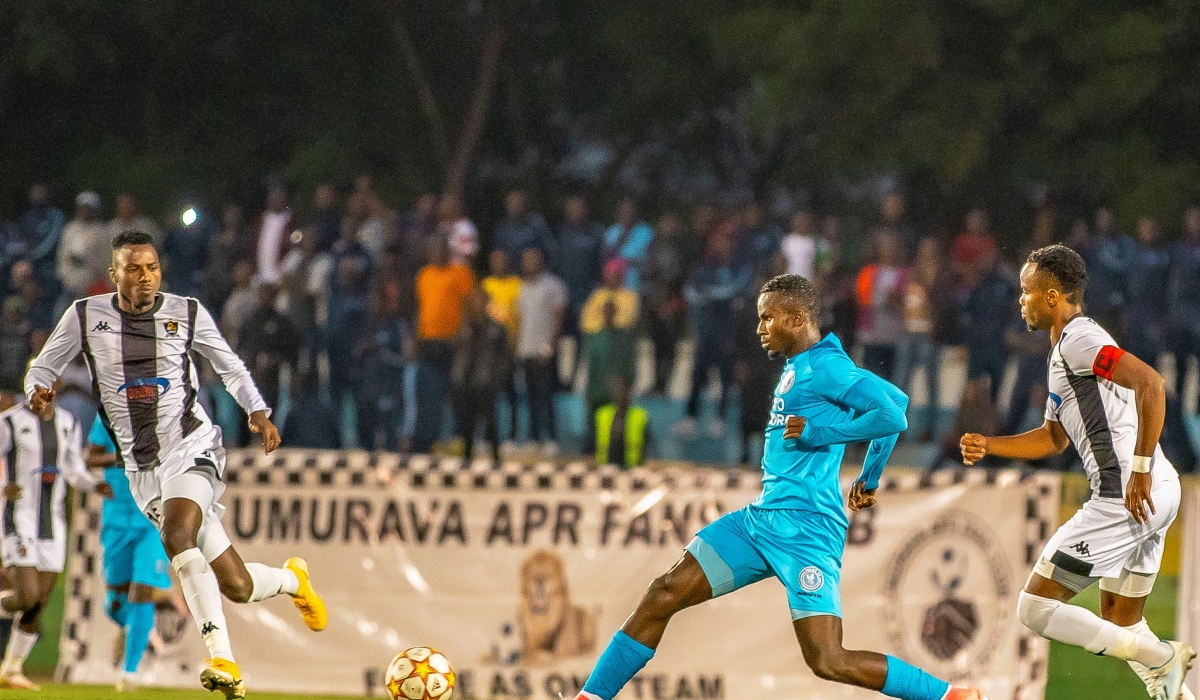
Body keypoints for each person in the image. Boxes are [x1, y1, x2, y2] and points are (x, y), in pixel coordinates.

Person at [574, 274, 986, 700]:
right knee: (665, 592)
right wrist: (869, 476)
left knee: (827, 660)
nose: (759, 328)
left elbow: (894, 416)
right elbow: (895, 401)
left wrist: (818, 432)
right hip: (760, 521)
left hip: (806, 530)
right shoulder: (802, 365)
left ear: (797, 317)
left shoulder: (826, 367)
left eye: (768, 318)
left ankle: (953, 696)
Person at [24, 231, 327, 699]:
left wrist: (257, 410)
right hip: (141, 469)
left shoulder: (185, 312)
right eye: (133, 269)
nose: (144, 278)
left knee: (176, 535)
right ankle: (292, 579)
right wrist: (38, 391)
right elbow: (43, 368)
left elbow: (229, 365)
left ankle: (221, 658)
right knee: (238, 585)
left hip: (190, 444)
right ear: (114, 275)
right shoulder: (85, 317)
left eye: (152, 268)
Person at [960, 245, 1194, 700]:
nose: (1020, 301)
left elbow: (1151, 383)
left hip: (1126, 494)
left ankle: (1161, 657)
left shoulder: (1079, 340)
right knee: (1122, 620)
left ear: (1051, 296)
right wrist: (992, 444)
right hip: (1156, 493)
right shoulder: (1064, 351)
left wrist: (1140, 470)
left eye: (1026, 292)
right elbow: (1053, 439)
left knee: (1036, 608)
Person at [0, 388, 112, 691]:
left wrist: (93, 485)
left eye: (46, 387)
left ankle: (10, 670)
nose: (39, 394)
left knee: (39, 604)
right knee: (26, 596)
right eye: (34, 387)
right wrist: (2, 488)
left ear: (56, 388)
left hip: (53, 523)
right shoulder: (8, 422)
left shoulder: (67, 421)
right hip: (17, 519)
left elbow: (73, 468)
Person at [86, 414, 177, 691]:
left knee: (143, 590)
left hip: (152, 520)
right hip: (116, 518)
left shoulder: (166, 416)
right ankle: (134, 629)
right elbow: (91, 458)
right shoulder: (107, 417)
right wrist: (124, 458)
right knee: (115, 600)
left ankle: (130, 671)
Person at [412, 235, 475, 453]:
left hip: (452, 342)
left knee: (457, 392)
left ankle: (460, 439)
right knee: (430, 394)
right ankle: (431, 440)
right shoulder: (424, 275)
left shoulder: (460, 273)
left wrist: (462, 333)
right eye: (434, 250)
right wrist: (415, 338)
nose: (438, 254)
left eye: (442, 249)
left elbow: (469, 305)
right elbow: (420, 308)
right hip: (429, 341)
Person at [515, 248, 566, 455]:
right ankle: (534, 438)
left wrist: (550, 346)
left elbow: (558, 318)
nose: (529, 263)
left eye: (533, 259)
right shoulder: (522, 288)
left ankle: (551, 438)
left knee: (547, 396)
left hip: (544, 351)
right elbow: (519, 320)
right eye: (526, 260)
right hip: (525, 350)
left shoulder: (553, 285)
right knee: (531, 397)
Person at [451, 288, 511, 462]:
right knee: (467, 425)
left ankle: (496, 460)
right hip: (466, 383)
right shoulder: (465, 328)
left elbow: (504, 356)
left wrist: (497, 377)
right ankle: (467, 460)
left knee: (491, 425)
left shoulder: (497, 328)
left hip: (486, 383)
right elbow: (458, 354)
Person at [855, 231, 907, 380]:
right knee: (871, 374)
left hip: (894, 333)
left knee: (891, 377)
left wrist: (895, 301)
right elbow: (861, 298)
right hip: (872, 332)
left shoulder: (903, 273)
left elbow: (907, 301)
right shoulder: (868, 272)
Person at [588, 376, 650, 469]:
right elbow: (591, 442)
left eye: (622, 390)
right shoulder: (602, 414)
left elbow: (648, 444)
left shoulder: (640, 415)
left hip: (632, 469)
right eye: (616, 390)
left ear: (629, 391)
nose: (619, 394)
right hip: (605, 468)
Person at [57, 191, 109, 299]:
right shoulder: (69, 229)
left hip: (91, 284)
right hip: (68, 283)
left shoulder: (102, 231)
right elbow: (62, 255)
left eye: (88, 208)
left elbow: (105, 260)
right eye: (82, 208)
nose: (85, 211)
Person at [493, 189, 557, 270]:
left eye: (518, 202)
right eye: (512, 202)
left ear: (525, 204)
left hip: (537, 275)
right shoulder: (502, 228)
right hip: (512, 277)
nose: (516, 205)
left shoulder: (537, 223)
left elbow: (551, 251)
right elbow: (498, 256)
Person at [602, 198, 654, 293]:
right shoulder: (611, 232)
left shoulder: (646, 233)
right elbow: (605, 258)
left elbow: (650, 260)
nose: (626, 214)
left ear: (635, 213)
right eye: (623, 211)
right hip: (613, 285)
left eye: (629, 211)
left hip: (636, 285)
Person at [254, 185, 294, 285]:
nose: (275, 200)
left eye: (279, 197)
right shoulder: (261, 221)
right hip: (260, 276)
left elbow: (294, 247)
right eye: (273, 197)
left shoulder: (291, 221)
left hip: (282, 276)